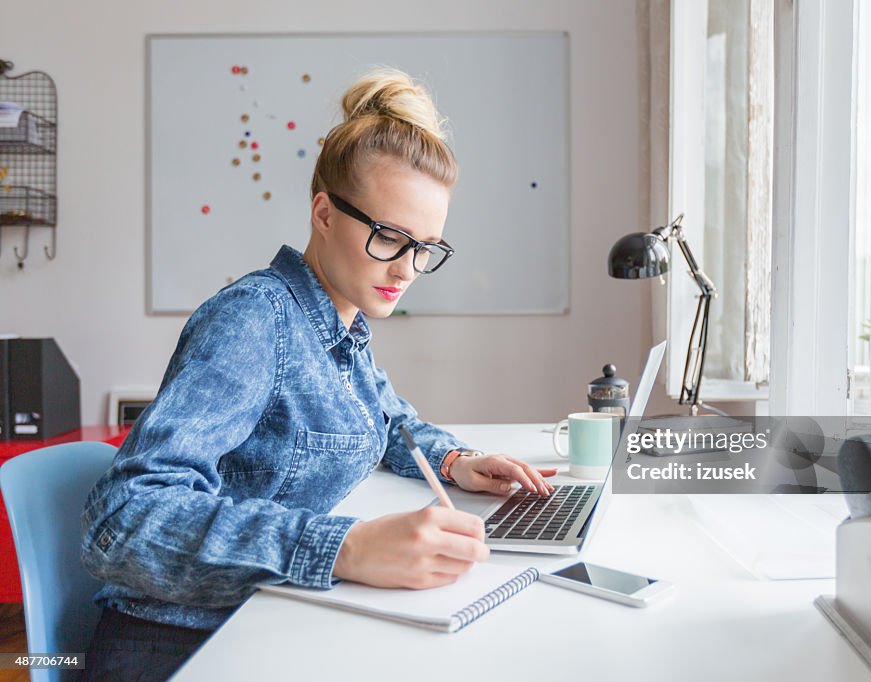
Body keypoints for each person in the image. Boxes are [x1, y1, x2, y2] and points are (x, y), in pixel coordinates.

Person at [79, 68, 555, 681]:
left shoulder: (343, 327)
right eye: (389, 237)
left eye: (427, 247)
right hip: (179, 646)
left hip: (271, 617)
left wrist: (454, 462)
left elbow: (390, 420)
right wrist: (346, 548)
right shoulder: (255, 320)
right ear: (324, 214)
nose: (407, 268)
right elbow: (122, 520)